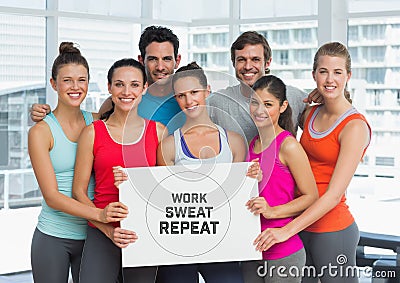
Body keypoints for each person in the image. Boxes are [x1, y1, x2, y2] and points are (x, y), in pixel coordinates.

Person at [254, 42, 371, 283]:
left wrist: (285, 230)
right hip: (300, 226)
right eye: (323, 72)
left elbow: (333, 195)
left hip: (332, 230)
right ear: (314, 74)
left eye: (338, 72)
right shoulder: (310, 114)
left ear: (348, 76)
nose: (330, 78)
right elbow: (278, 119)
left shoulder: (355, 127)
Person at [28, 42, 128, 283]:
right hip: (54, 236)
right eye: (67, 80)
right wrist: (99, 214)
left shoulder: (96, 122)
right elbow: (52, 196)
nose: (75, 87)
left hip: (94, 236)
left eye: (82, 80)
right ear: (53, 84)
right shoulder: (41, 132)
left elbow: (125, 96)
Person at [72, 58, 167, 283]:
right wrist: (106, 228)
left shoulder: (159, 132)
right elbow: (78, 191)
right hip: (100, 230)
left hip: (144, 231)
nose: (127, 92)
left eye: (134, 85)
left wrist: (135, 181)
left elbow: (166, 189)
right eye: (119, 84)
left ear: (145, 88)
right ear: (109, 88)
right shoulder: (92, 133)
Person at [155, 62, 247, 283]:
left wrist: (253, 177)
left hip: (222, 240)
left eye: (195, 92)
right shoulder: (168, 145)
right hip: (180, 244)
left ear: (208, 90)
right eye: (181, 95)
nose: (189, 101)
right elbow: (164, 198)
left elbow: (239, 195)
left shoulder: (233, 141)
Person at [31, 25, 185, 133]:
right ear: (141, 60)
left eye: (166, 59)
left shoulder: (188, 99)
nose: (160, 67)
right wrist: (47, 116)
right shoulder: (120, 100)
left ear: (177, 61)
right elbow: (83, 127)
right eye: (152, 59)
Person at [241, 75, 318, 283]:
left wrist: (272, 211)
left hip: (283, 252)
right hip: (252, 250)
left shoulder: (288, 145)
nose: (259, 110)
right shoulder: (253, 144)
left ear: (283, 106)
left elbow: (311, 196)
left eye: (268, 104)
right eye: (255, 103)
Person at [207, 31, 308, 142]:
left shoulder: (295, 96)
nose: (248, 66)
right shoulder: (217, 101)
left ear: (267, 63)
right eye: (241, 60)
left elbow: (321, 128)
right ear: (233, 63)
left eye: (255, 59)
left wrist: (323, 95)